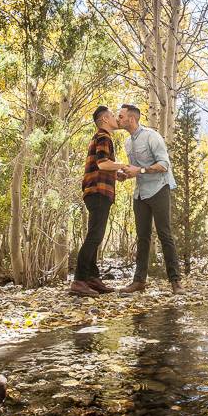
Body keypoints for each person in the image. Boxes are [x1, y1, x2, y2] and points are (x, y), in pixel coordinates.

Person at [116, 104, 185, 295]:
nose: (118, 120)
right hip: (140, 193)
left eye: (120, 117)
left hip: (159, 189)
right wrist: (126, 175)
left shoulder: (151, 136)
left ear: (131, 119)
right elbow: (135, 169)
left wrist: (140, 170)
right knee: (142, 237)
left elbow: (164, 164)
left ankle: (176, 282)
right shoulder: (128, 143)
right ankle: (139, 282)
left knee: (165, 234)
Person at [69, 106, 134, 297]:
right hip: (98, 192)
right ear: (105, 119)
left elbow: (103, 166)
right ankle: (79, 281)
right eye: (113, 116)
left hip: (96, 190)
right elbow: (102, 163)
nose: (116, 119)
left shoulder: (100, 137)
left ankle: (92, 277)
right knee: (95, 236)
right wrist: (124, 165)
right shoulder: (103, 137)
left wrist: (116, 174)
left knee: (95, 235)